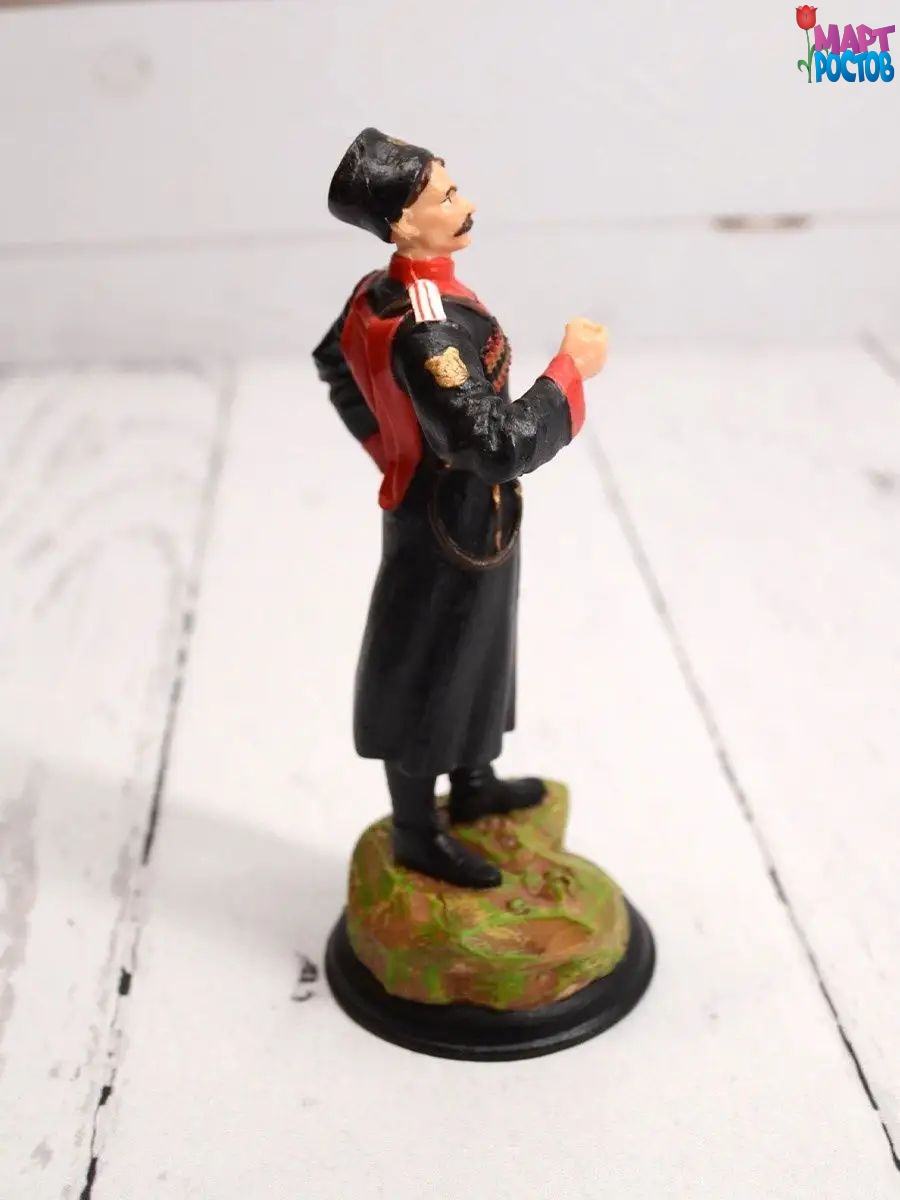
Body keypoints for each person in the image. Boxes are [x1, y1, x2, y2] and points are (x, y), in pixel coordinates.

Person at [313, 128, 607, 889]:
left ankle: (473, 781)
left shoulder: (378, 292)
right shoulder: (430, 327)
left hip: (464, 510)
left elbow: (335, 361)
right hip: (449, 518)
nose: (465, 203)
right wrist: (569, 371)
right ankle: (416, 829)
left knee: (478, 646)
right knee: (429, 664)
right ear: (404, 225)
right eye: (444, 196)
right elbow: (495, 444)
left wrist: (392, 447)